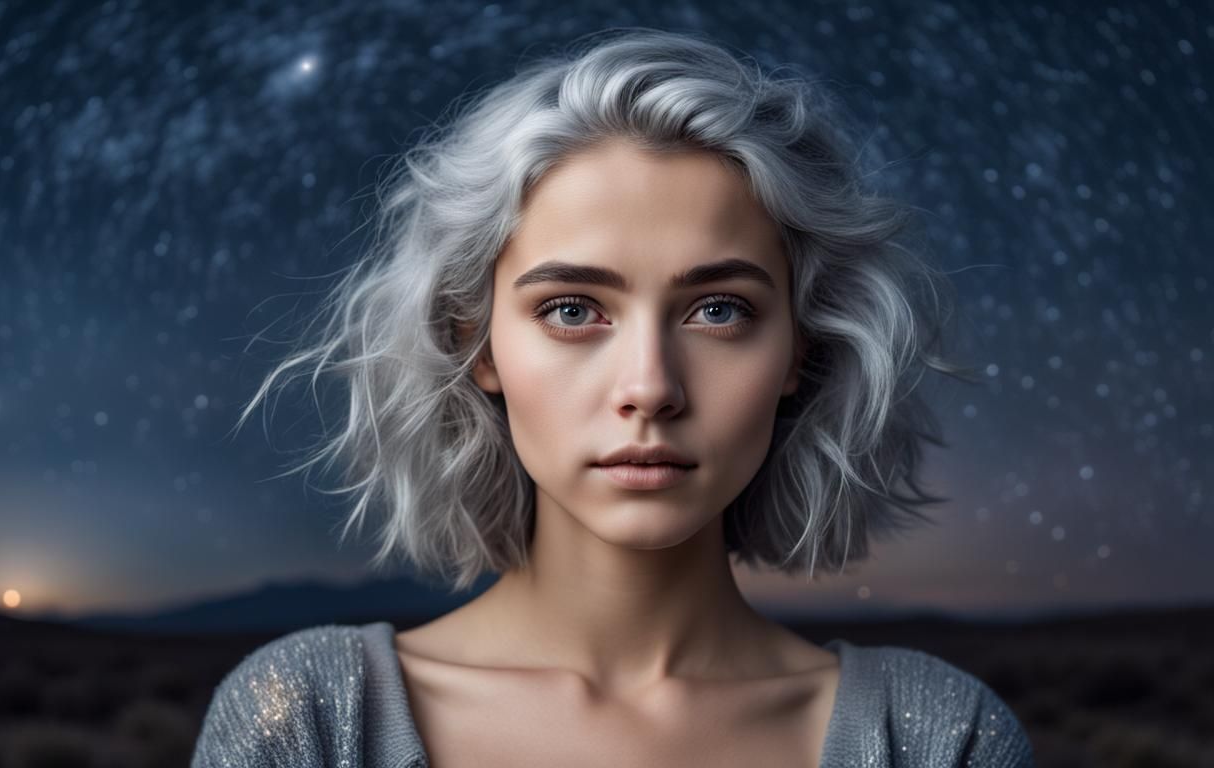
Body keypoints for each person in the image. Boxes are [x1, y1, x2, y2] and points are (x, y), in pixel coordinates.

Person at [192, 27, 1035, 768]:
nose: (650, 389)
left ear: (798, 354)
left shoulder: (935, 739)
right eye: (571, 310)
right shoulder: (312, 720)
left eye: (719, 311)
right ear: (476, 345)